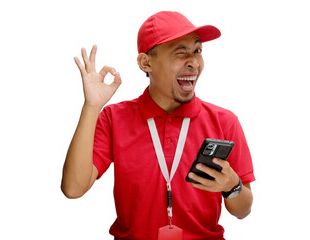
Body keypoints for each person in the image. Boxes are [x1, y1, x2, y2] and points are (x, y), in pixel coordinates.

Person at [61, 11, 255, 240]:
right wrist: (91, 107)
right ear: (146, 62)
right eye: (180, 53)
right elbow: (73, 189)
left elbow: (243, 210)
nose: (193, 62)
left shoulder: (224, 121)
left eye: (197, 51)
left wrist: (232, 186)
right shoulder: (114, 118)